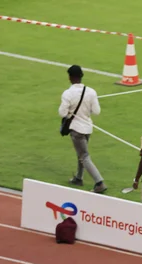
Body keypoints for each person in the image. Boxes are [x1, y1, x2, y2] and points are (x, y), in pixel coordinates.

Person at [58, 65, 106, 193]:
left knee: (84, 156)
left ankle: (99, 182)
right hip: (87, 128)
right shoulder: (91, 91)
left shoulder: (68, 93)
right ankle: (79, 178)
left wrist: (70, 113)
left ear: (70, 77)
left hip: (76, 129)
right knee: (81, 154)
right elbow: (96, 111)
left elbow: (62, 113)